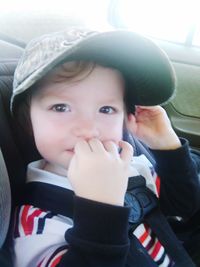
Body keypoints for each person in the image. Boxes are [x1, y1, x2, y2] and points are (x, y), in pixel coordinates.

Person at [10, 28, 200, 267]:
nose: (89, 129)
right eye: (60, 107)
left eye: (106, 110)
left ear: (126, 118)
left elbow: (184, 207)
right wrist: (100, 208)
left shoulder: (131, 164)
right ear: (28, 121)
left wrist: (167, 149)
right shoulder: (37, 217)